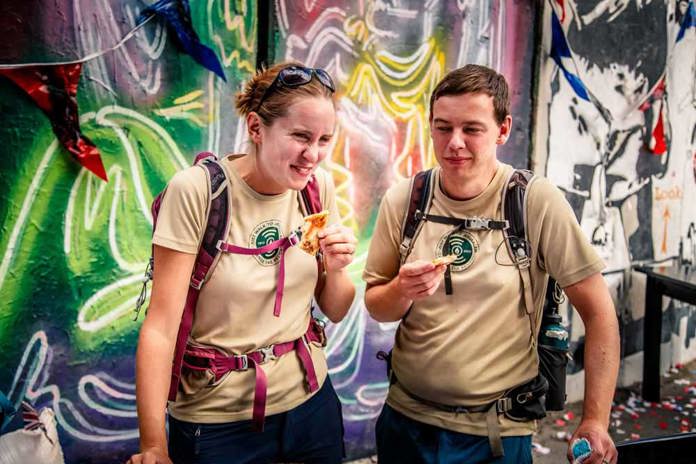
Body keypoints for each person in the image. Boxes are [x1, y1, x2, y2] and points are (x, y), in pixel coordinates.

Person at [363, 64, 620, 464]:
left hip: (495, 437)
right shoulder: (406, 199)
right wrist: (401, 290)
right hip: (406, 423)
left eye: (472, 129)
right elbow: (377, 306)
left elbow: (599, 312)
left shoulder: (534, 202)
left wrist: (595, 420)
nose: (455, 143)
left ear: (502, 130)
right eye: (443, 127)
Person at [127, 62, 356, 464]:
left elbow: (335, 308)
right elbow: (160, 327)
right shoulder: (200, 191)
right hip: (217, 424)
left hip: (311, 406)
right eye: (301, 136)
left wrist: (335, 266)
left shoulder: (315, 191)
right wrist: (153, 445)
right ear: (255, 127)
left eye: (324, 140)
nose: (313, 154)